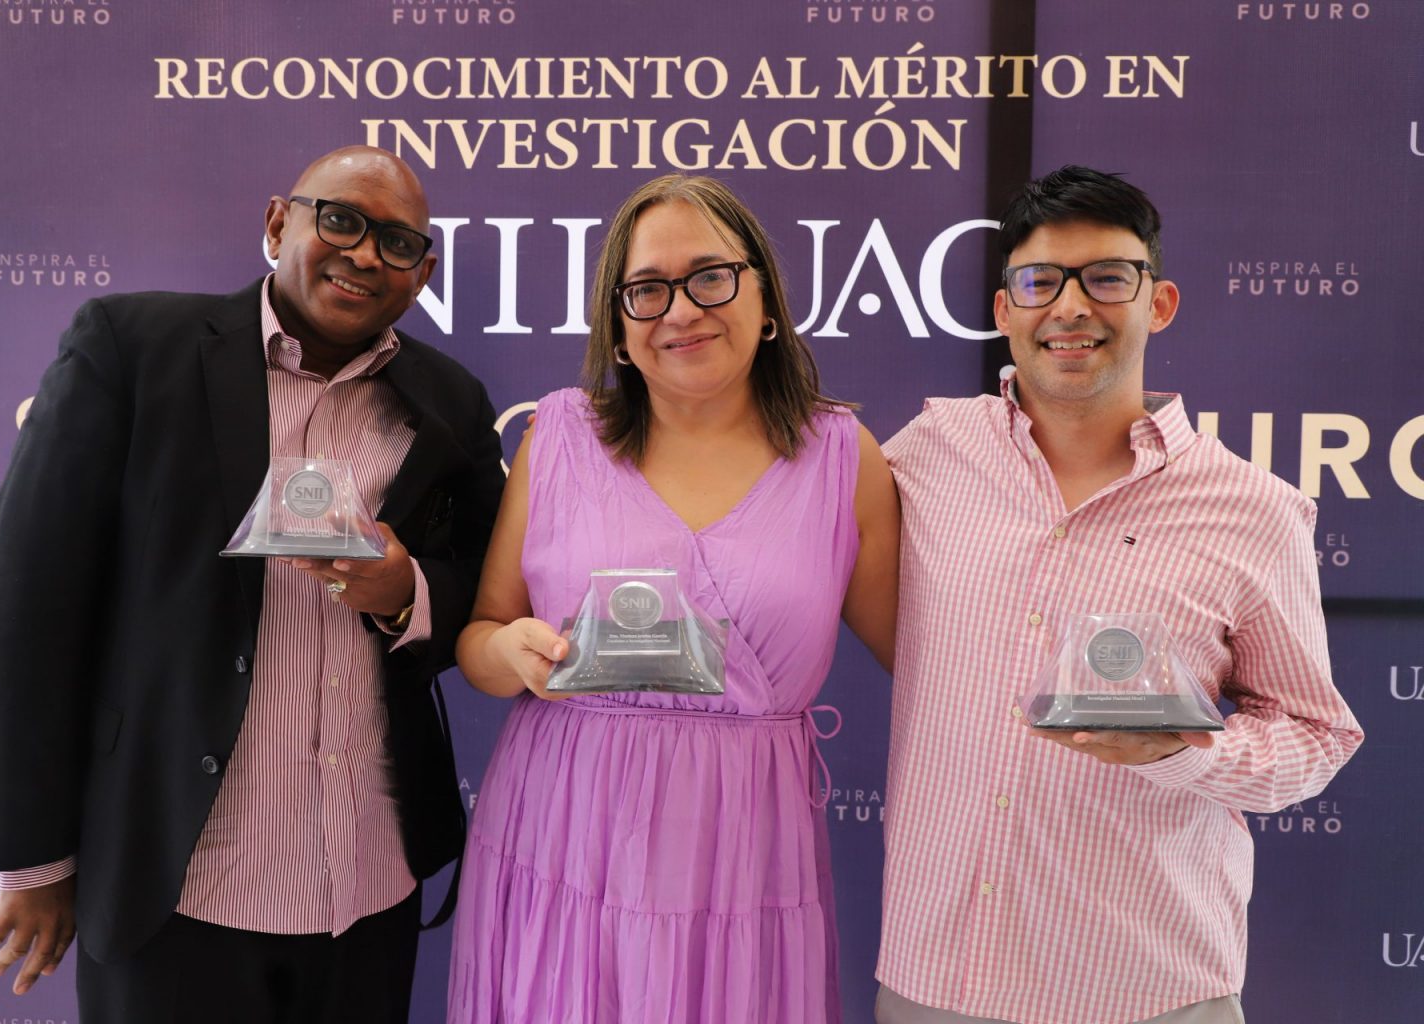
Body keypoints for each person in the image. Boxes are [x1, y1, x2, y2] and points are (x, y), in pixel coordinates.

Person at [0, 146, 504, 1022]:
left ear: (423, 274)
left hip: (367, 886)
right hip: (174, 880)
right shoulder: (132, 349)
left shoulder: (451, 400)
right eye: (340, 220)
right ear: (278, 224)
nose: (365, 254)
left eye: (398, 243)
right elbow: (32, 605)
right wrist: (34, 860)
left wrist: (410, 592)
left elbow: (492, 588)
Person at [876, 166, 1364, 1024]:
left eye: (1107, 278)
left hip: (1149, 990)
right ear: (1004, 311)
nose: (1071, 307)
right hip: (937, 979)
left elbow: (1317, 736)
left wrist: (1186, 751)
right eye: (1041, 282)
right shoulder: (927, 453)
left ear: (1158, 303)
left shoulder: (1255, 510)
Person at [445, 174, 901, 1023]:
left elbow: (926, 663)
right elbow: (481, 637)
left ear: (766, 300)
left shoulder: (846, 458)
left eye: (710, 277)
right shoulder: (560, 437)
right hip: (566, 833)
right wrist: (507, 652)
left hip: (744, 850)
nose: (681, 310)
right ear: (619, 328)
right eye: (648, 289)